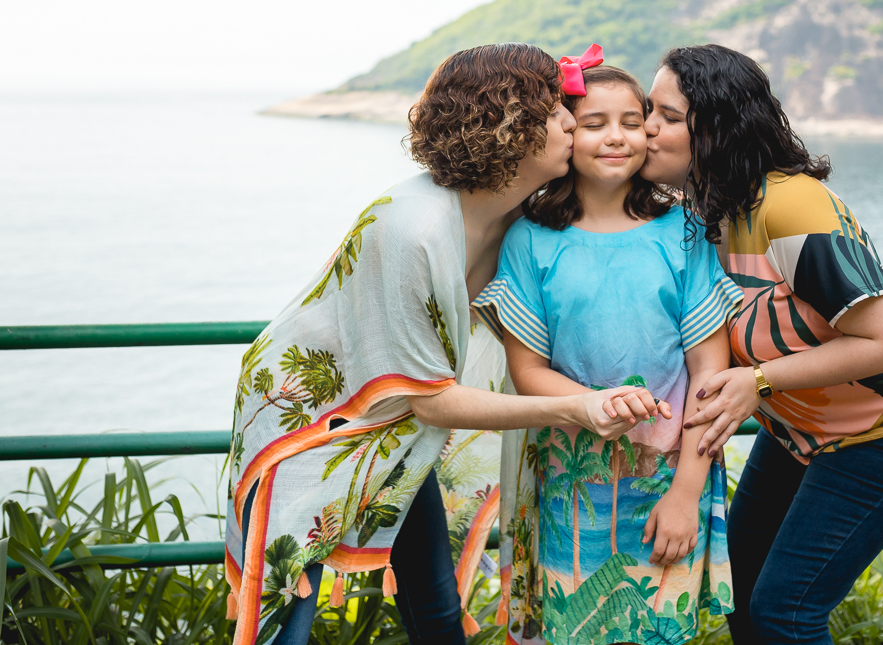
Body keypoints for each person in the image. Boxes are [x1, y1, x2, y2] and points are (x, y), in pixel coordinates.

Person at [225, 43, 670, 645]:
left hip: (399, 423)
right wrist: (576, 406)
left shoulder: (516, 215)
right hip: (310, 422)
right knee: (287, 610)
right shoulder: (412, 226)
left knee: (433, 598)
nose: (572, 121)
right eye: (557, 110)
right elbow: (433, 399)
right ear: (508, 123)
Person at [639, 44, 883, 645]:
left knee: (785, 613)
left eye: (665, 115)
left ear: (714, 126)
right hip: (805, 432)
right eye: (648, 110)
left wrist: (758, 382)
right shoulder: (709, 210)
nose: (646, 128)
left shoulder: (791, 205)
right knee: (740, 596)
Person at [474, 50, 741, 645]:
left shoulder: (686, 231)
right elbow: (528, 372)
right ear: (566, 134)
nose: (617, 137)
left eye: (633, 120)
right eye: (593, 123)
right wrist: (596, 403)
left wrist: (685, 493)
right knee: (579, 629)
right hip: (575, 488)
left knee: (659, 631)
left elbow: (710, 374)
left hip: (671, 478)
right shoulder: (531, 240)